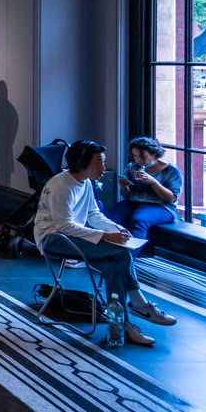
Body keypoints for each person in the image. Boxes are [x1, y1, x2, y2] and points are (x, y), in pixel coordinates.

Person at [34, 140, 174, 347]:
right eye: (99, 163)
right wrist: (106, 236)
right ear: (82, 163)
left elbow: (93, 214)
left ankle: (120, 325)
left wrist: (116, 229)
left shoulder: (85, 182)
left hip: (72, 236)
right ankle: (139, 304)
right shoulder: (61, 185)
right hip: (53, 238)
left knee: (114, 267)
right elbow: (64, 226)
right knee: (121, 252)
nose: (104, 168)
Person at [108, 137, 181, 243]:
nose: (138, 160)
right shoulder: (132, 167)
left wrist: (153, 182)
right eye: (135, 156)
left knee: (139, 219)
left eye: (143, 156)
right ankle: (107, 250)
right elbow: (127, 196)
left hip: (162, 207)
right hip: (133, 203)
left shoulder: (171, 170)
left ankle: (130, 252)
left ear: (154, 154)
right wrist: (123, 186)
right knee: (109, 218)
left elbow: (171, 199)